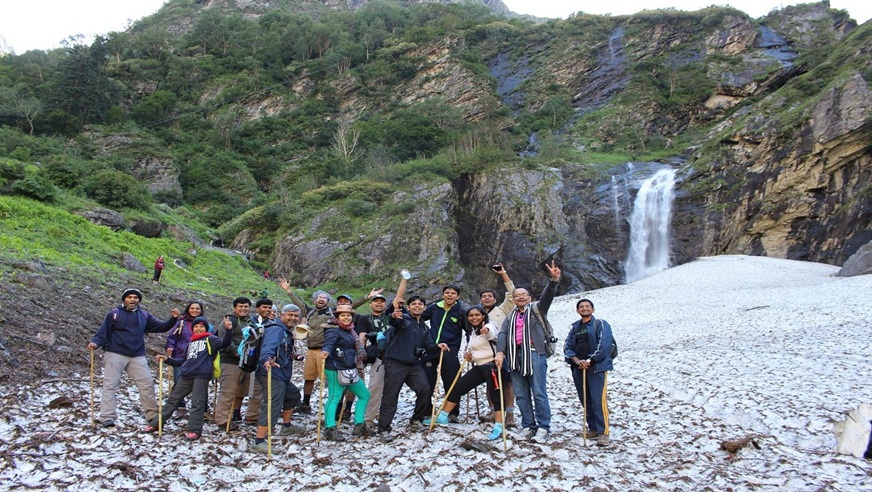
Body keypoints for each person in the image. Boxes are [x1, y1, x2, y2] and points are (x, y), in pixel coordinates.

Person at [87, 288, 180, 428]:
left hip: (137, 355)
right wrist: (95, 343)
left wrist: (173, 319)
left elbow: (161, 327)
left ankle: (153, 417)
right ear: (124, 299)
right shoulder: (114, 314)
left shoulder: (144, 315)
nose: (132, 299)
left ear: (139, 300)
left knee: (147, 384)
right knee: (110, 386)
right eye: (129, 297)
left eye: (135, 297)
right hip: (115, 353)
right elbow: (102, 332)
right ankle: (107, 417)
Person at [495, 260, 561, 443]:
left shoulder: (537, 309)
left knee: (539, 391)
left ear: (530, 297)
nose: (521, 298)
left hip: (534, 353)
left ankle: (543, 427)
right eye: (517, 296)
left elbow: (548, 296)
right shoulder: (510, 316)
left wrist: (554, 281)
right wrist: (500, 352)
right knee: (521, 394)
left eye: (524, 295)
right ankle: (528, 426)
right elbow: (502, 334)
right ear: (514, 299)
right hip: (515, 356)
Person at [426, 306, 507, 440]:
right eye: (470, 316)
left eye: (477, 315)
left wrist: (486, 331)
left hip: (492, 366)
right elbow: (478, 349)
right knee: (457, 388)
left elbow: (491, 333)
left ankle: (499, 426)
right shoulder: (473, 332)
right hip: (480, 366)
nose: (474, 318)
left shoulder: (489, 325)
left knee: (496, 396)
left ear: (483, 316)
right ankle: (442, 417)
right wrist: (471, 357)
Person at [378, 290, 449, 443]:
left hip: (414, 365)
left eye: (420, 304)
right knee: (391, 395)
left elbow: (429, 346)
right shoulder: (403, 320)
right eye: (413, 304)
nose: (417, 306)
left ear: (424, 308)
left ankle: (416, 419)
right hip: (395, 363)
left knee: (425, 389)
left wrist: (438, 346)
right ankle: (384, 429)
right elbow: (393, 320)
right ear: (408, 308)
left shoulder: (424, 327)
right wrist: (393, 314)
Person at [145, 316, 232, 439]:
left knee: (197, 402)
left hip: (201, 375)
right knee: (173, 399)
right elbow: (183, 361)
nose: (198, 329)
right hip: (186, 375)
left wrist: (228, 331)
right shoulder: (190, 343)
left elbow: (225, 343)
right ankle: (156, 423)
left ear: (205, 328)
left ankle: (194, 430)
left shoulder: (210, 339)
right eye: (196, 326)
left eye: (201, 326)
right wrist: (168, 360)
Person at [251, 304, 305, 454]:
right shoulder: (276, 329)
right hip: (270, 372)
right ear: (281, 315)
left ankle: (286, 427)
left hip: (281, 373)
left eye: (295, 316)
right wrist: (267, 360)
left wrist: (293, 356)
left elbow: (282, 349)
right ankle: (259, 441)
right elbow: (268, 347)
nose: (293, 318)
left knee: (293, 394)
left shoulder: (286, 331)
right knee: (272, 404)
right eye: (290, 315)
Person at [565, 298, 614, 447]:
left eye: (587, 306)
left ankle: (603, 432)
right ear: (577, 310)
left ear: (593, 309)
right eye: (581, 307)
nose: (584, 308)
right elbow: (567, 346)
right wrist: (575, 360)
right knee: (585, 399)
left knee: (599, 399)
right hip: (579, 367)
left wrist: (590, 360)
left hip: (596, 367)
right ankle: (592, 428)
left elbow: (604, 344)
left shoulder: (601, 324)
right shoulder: (575, 328)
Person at [321, 304, 373, 441]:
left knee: (364, 394)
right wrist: (325, 351)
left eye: (348, 315)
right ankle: (330, 428)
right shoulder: (333, 330)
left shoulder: (350, 331)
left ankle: (359, 425)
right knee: (334, 397)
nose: (346, 317)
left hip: (349, 368)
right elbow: (328, 344)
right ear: (337, 317)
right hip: (335, 368)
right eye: (342, 315)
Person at [214, 297, 263, 430]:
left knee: (248, 389)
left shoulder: (251, 321)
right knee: (228, 390)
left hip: (248, 361)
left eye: (246, 306)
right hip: (230, 360)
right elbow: (223, 339)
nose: (243, 309)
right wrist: (235, 352)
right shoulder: (229, 321)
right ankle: (223, 419)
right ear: (234, 308)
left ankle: (251, 416)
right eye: (240, 306)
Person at [479, 262, 517, 427]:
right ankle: (494, 410)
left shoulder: (502, 309)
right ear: (480, 300)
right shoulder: (477, 315)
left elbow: (512, 293)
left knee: (507, 381)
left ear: (495, 299)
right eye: (484, 296)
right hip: (486, 352)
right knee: (490, 381)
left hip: (504, 349)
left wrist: (503, 274)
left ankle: (509, 413)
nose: (487, 298)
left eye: (490, 296)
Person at [421, 285, 466, 422]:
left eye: (453, 293)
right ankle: (427, 412)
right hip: (432, 348)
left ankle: (452, 412)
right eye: (447, 293)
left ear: (457, 296)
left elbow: (469, 330)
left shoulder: (460, 312)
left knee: (452, 381)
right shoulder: (435, 308)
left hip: (450, 350)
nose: (450, 295)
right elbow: (419, 318)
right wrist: (425, 335)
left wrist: (469, 347)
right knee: (427, 382)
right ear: (442, 295)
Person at [164, 300, 209, 420]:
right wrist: (170, 347)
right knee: (179, 381)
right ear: (188, 309)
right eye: (192, 308)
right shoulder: (181, 323)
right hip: (180, 355)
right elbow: (172, 337)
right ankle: (180, 407)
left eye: (197, 309)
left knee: (201, 384)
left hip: (199, 359)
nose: (194, 311)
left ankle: (202, 408)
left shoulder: (205, 324)